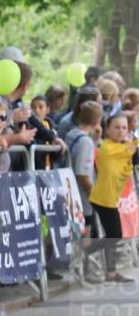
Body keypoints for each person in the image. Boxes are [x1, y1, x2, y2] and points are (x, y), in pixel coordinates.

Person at [86, 113, 139, 283]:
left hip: (109, 198)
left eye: (124, 127)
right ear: (107, 129)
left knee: (113, 234)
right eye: (116, 127)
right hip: (103, 198)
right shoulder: (109, 148)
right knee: (115, 234)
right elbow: (130, 150)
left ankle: (110, 272)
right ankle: (84, 252)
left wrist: (131, 143)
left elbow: (135, 158)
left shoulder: (121, 147)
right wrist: (133, 142)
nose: (121, 131)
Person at [65, 101, 103, 267]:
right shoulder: (85, 141)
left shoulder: (71, 134)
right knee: (84, 232)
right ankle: (85, 268)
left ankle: (81, 265)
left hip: (69, 192)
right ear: (97, 121)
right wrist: (93, 191)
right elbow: (83, 172)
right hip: (82, 197)